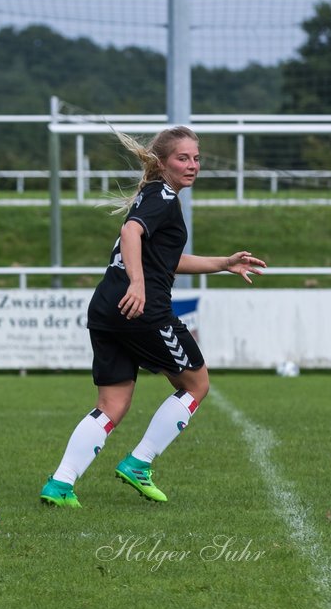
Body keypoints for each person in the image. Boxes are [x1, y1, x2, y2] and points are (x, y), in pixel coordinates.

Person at [39, 126, 265, 508]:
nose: (192, 165)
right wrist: (139, 285)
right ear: (162, 163)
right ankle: (139, 464)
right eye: (183, 158)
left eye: (196, 158)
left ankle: (60, 484)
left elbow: (164, 258)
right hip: (141, 309)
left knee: (112, 404)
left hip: (107, 306)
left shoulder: (151, 195)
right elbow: (130, 233)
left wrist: (222, 263)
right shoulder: (162, 196)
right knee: (196, 384)